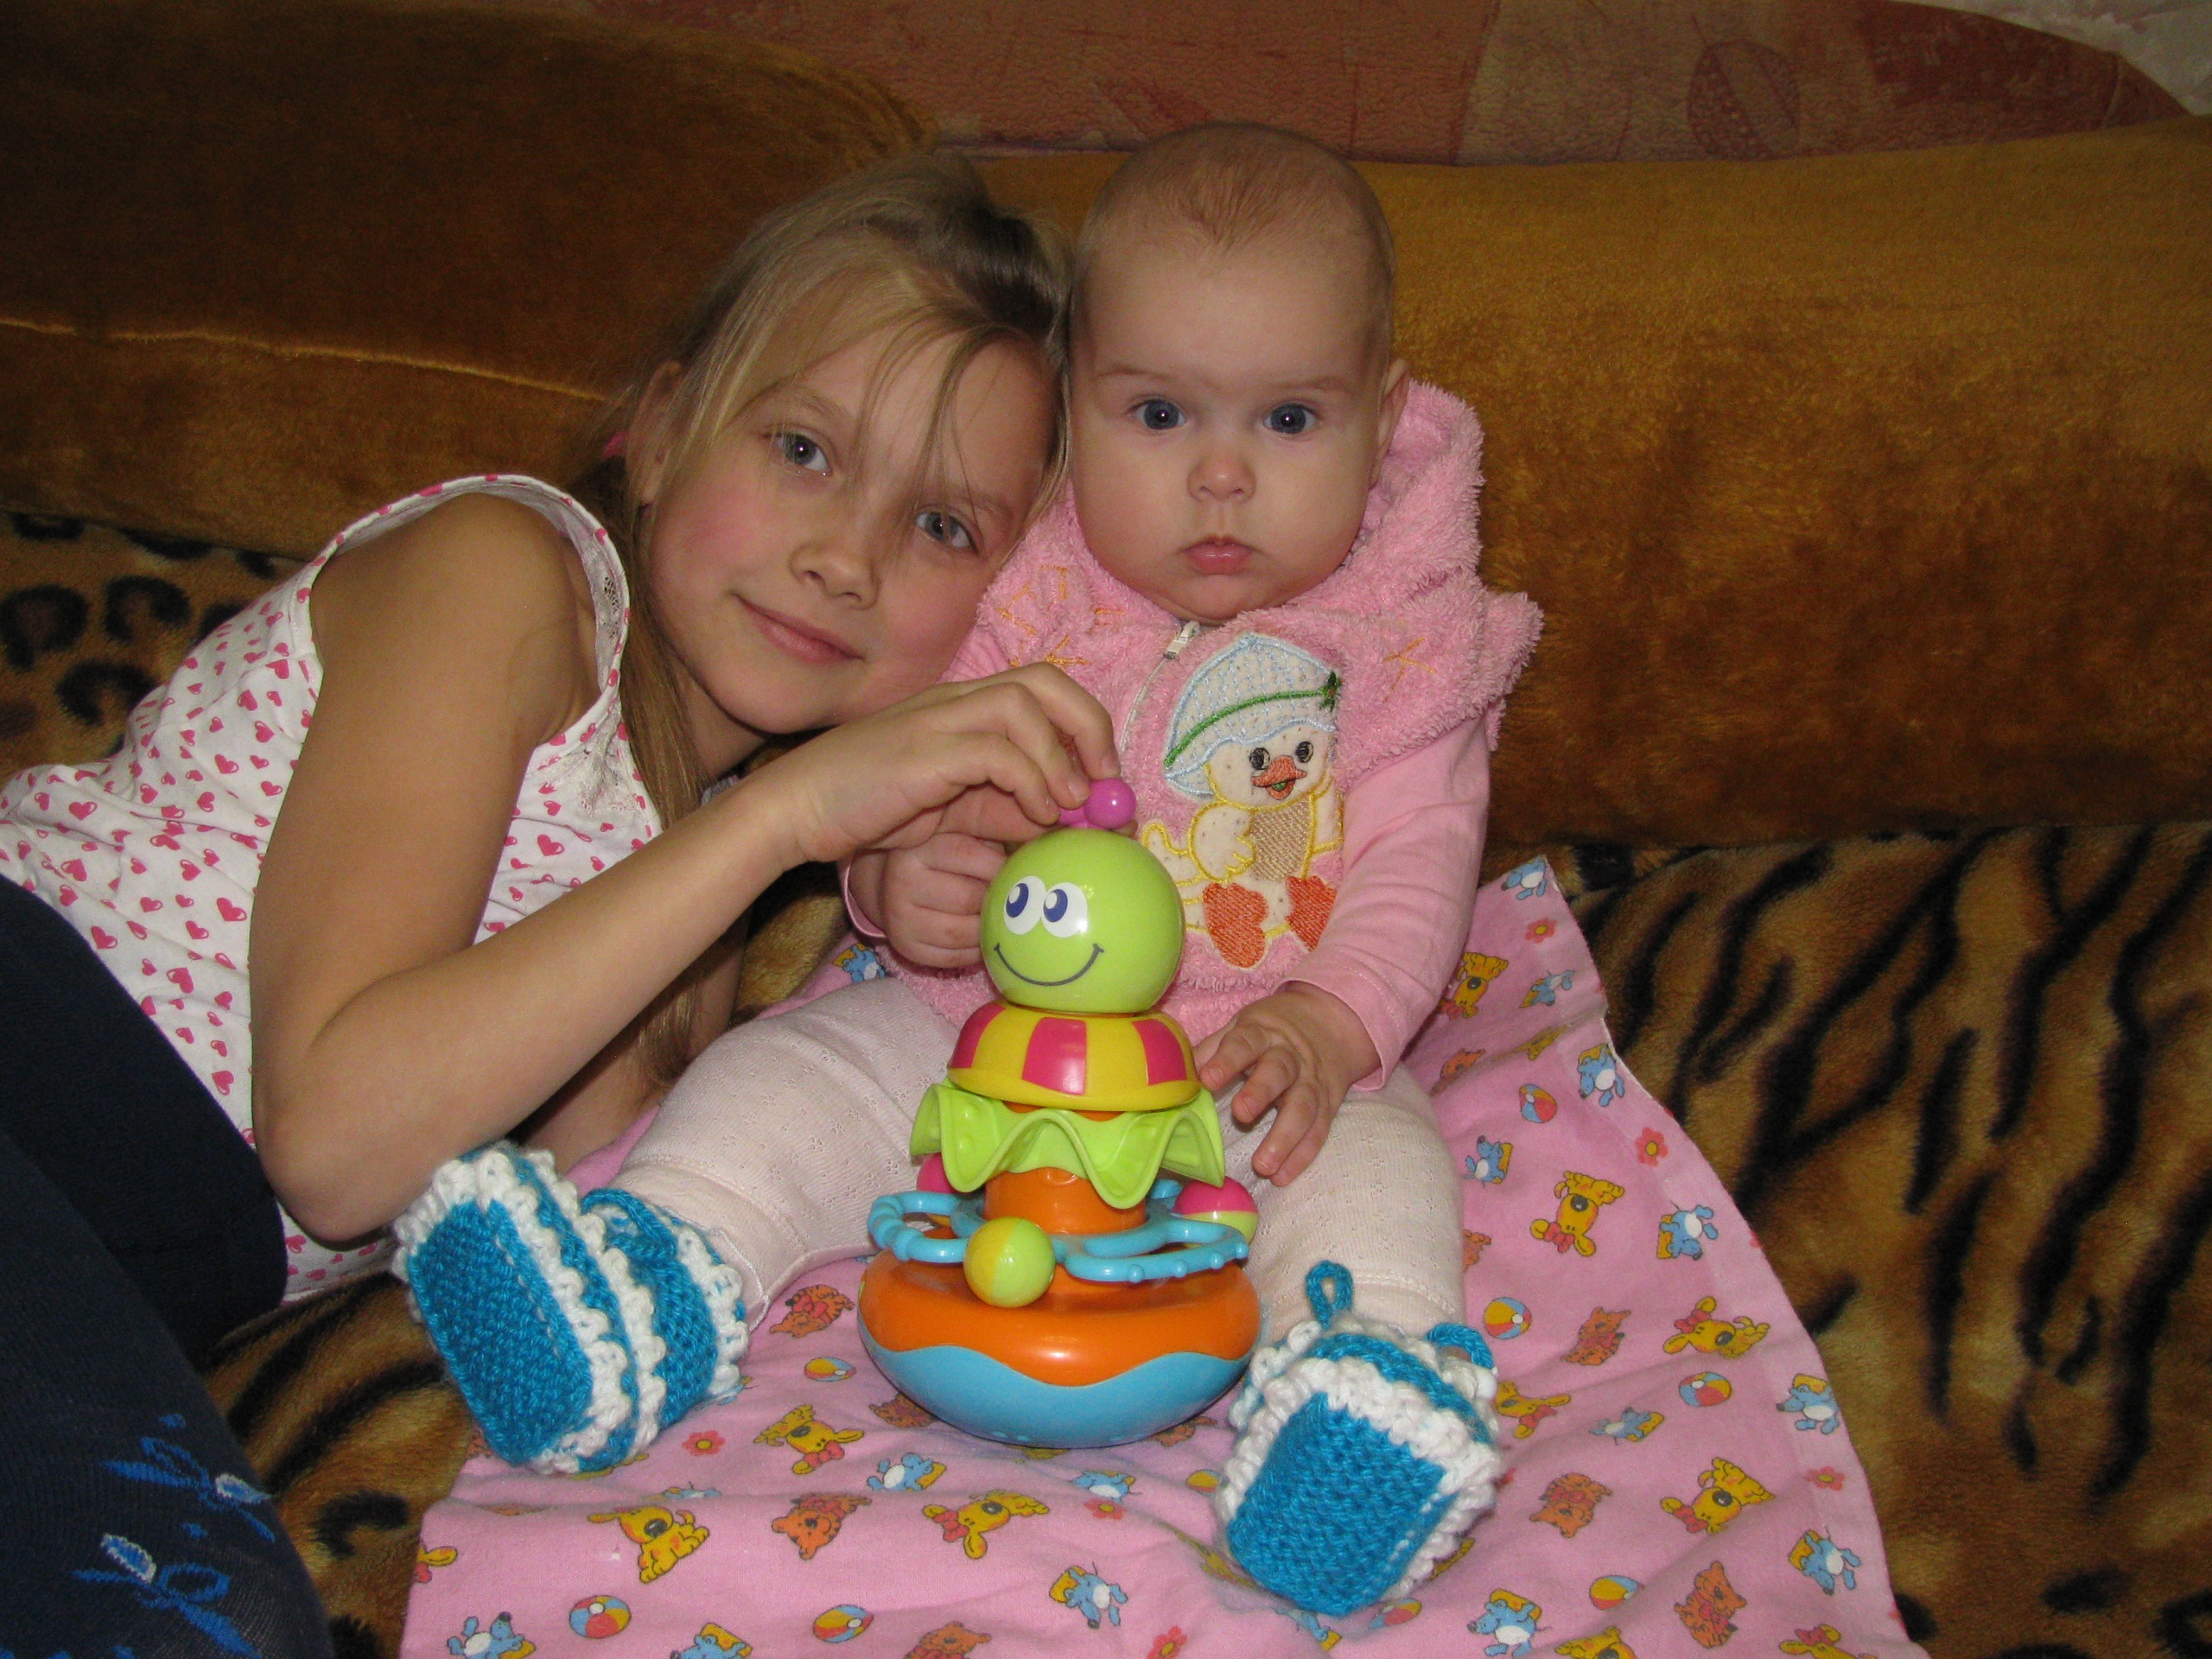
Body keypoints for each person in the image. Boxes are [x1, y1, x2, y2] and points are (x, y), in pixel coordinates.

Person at [398, 124, 1538, 1615]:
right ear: (1074, 407)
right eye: (1157, 413)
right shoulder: (1010, 577)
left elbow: (1417, 867)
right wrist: (897, 887)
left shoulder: (1405, 645)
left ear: (1382, 423)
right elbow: (891, 780)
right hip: (980, 1034)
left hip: (1256, 1060)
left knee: (1381, 1174)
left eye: (1288, 420)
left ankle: (1360, 1396)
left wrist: (1333, 1023)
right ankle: (650, 1275)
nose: (1219, 476)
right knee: (784, 1075)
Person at [0, 154, 1100, 1653]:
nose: (845, 557)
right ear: (659, 430)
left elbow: (631, 1195)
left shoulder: (695, 865)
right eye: (802, 449)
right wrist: (786, 821)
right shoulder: (506, 576)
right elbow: (335, 1141)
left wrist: (897, 880)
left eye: (946, 528)